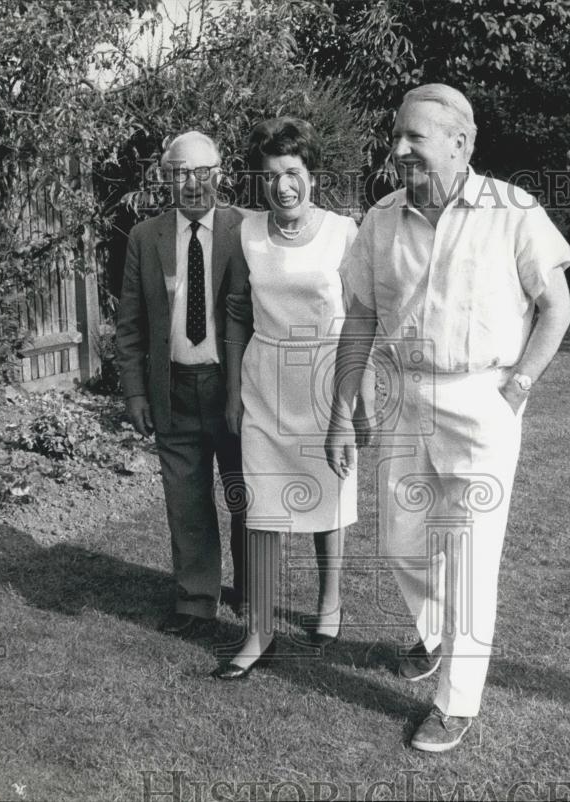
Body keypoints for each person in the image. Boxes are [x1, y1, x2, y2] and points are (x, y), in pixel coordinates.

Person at [325, 84, 570, 752]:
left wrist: (518, 384)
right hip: (406, 394)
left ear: (460, 144)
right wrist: (341, 409)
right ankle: (433, 636)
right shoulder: (381, 220)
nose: (399, 148)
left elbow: (557, 308)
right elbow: (360, 319)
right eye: (397, 136)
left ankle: (456, 702)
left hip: (481, 401)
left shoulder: (514, 212)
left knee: (468, 554)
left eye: (415, 137)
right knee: (405, 541)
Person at [211, 117, 375, 680]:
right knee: (261, 508)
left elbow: (360, 318)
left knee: (329, 500)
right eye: (271, 174)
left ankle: (330, 602)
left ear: (311, 175)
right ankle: (258, 628)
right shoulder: (248, 233)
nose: (282, 186)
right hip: (264, 383)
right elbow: (235, 312)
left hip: (326, 382)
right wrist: (233, 389)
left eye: (293, 172)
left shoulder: (342, 231)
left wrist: (360, 401)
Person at [116, 131, 247, 636]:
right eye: (180, 172)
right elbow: (129, 325)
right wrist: (134, 391)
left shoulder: (246, 230)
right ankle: (196, 602)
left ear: (220, 172)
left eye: (202, 171)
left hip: (232, 389)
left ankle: (251, 592)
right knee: (185, 500)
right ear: (165, 178)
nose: (192, 184)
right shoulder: (146, 237)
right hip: (172, 389)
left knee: (243, 495)